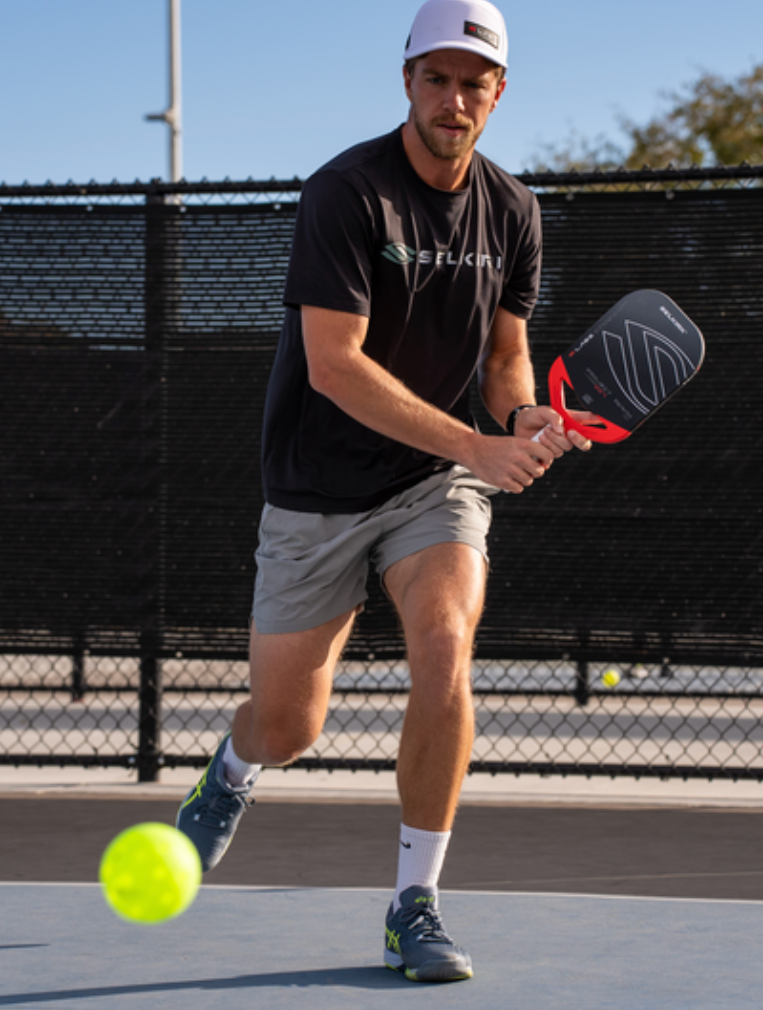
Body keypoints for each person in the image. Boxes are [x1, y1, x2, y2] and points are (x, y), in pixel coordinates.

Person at [177, 0, 594, 984]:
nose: (454, 98)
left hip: (430, 486)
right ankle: (233, 767)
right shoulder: (346, 193)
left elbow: (504, 360)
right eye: (436, 78)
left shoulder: (516, 212)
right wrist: (477, 441)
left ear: (499, 94)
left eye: (473, 81)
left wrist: (523, 417)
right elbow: (336, 366)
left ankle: (414, 901)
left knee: (446, 642)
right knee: (289, 725)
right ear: (407, 82)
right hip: (315, 485)